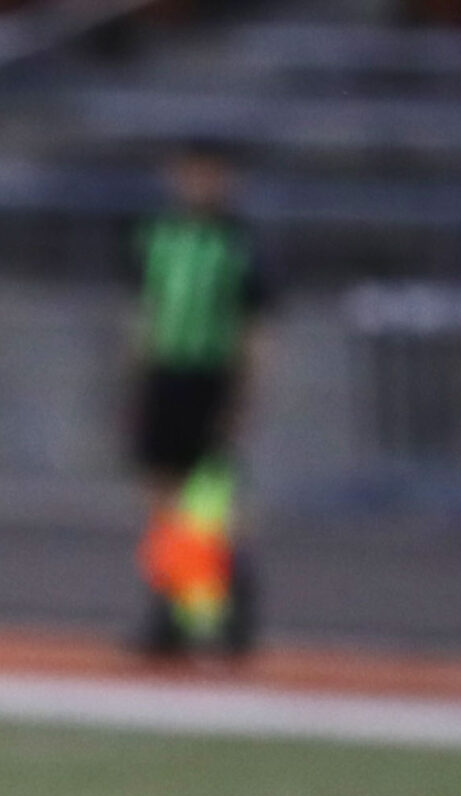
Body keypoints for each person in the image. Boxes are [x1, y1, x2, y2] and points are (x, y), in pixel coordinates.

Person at [124, 138, 273, 657]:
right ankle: (174, 611)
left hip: (211, 378)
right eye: (191, 173)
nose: (199, 185)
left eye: (210, 174)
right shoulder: (157, 236)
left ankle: (229, 609)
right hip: (164, 376)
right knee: (163, 500)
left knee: (211, 504)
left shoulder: (239, 243)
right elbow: (144, 314)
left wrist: (242, 397)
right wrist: (136, 382)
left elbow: (256, 329)